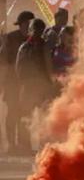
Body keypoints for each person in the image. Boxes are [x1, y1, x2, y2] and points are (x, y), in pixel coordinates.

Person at [14, 19, 53, 154]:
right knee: (29, 116)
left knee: (37, 116)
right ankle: (30, 145)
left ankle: (37, 145)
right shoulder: (31, 46)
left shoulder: (28, 46)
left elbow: (18, 66)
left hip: (34, 85)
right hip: (34, 85)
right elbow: (19, 67)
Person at [0, 11, 34, 153]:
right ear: (21, 24)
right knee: (13, 112)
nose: (28, 26)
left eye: (30, 24)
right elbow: (3, 60)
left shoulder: (34, 39)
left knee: (26, 113)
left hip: (27, 83)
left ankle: (24, 144)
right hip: (12, 81)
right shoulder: (10, 38)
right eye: (26, 23)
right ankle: (11, 144)